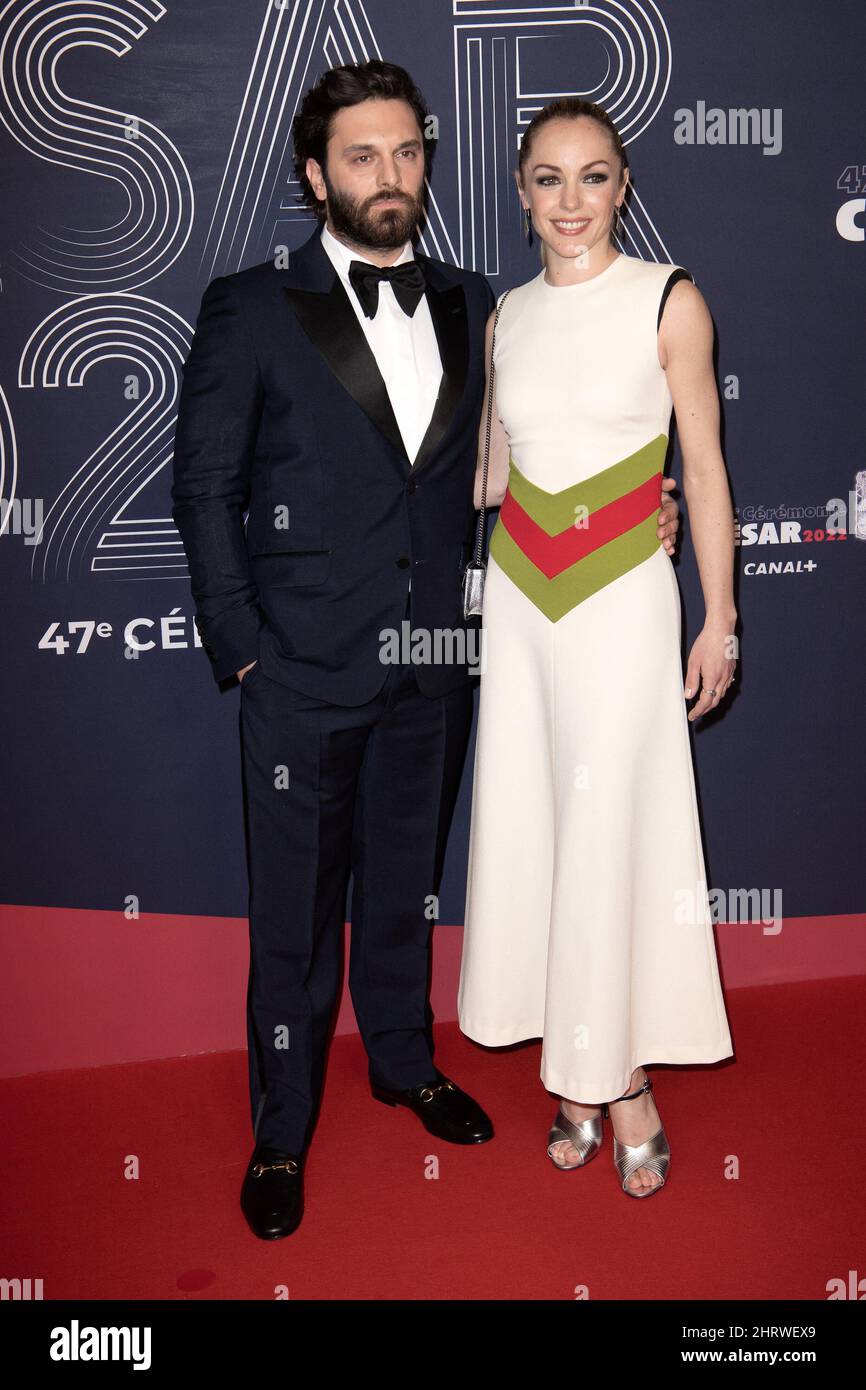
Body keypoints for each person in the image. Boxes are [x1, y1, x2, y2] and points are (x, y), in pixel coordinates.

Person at [172, 62, 681, 1240]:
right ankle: (282, 1128)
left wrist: (639, 511)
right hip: (295, 669)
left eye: (407, 153)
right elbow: (204, 488)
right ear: (316, 174)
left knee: (401, 884)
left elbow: (517, 470)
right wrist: (243, 648)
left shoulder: (471, 304)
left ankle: (402, 1061)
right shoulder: (250, 305)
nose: (389, 175)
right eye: (362, 156)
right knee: (293, 915)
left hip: (434, 660)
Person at [458, 97, 735, 1199]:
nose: (569, 202)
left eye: (592, 177)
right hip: (523, 606)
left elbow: (704, 471)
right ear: (519, 192)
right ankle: (573, 1064)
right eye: (546, 179)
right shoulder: (504, 318)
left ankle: (617, 1080)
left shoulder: (667, 300)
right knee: (541, 832)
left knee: (612, 833)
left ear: (622, 185)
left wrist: (717, 615)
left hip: (623, 600)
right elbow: (486, 478)